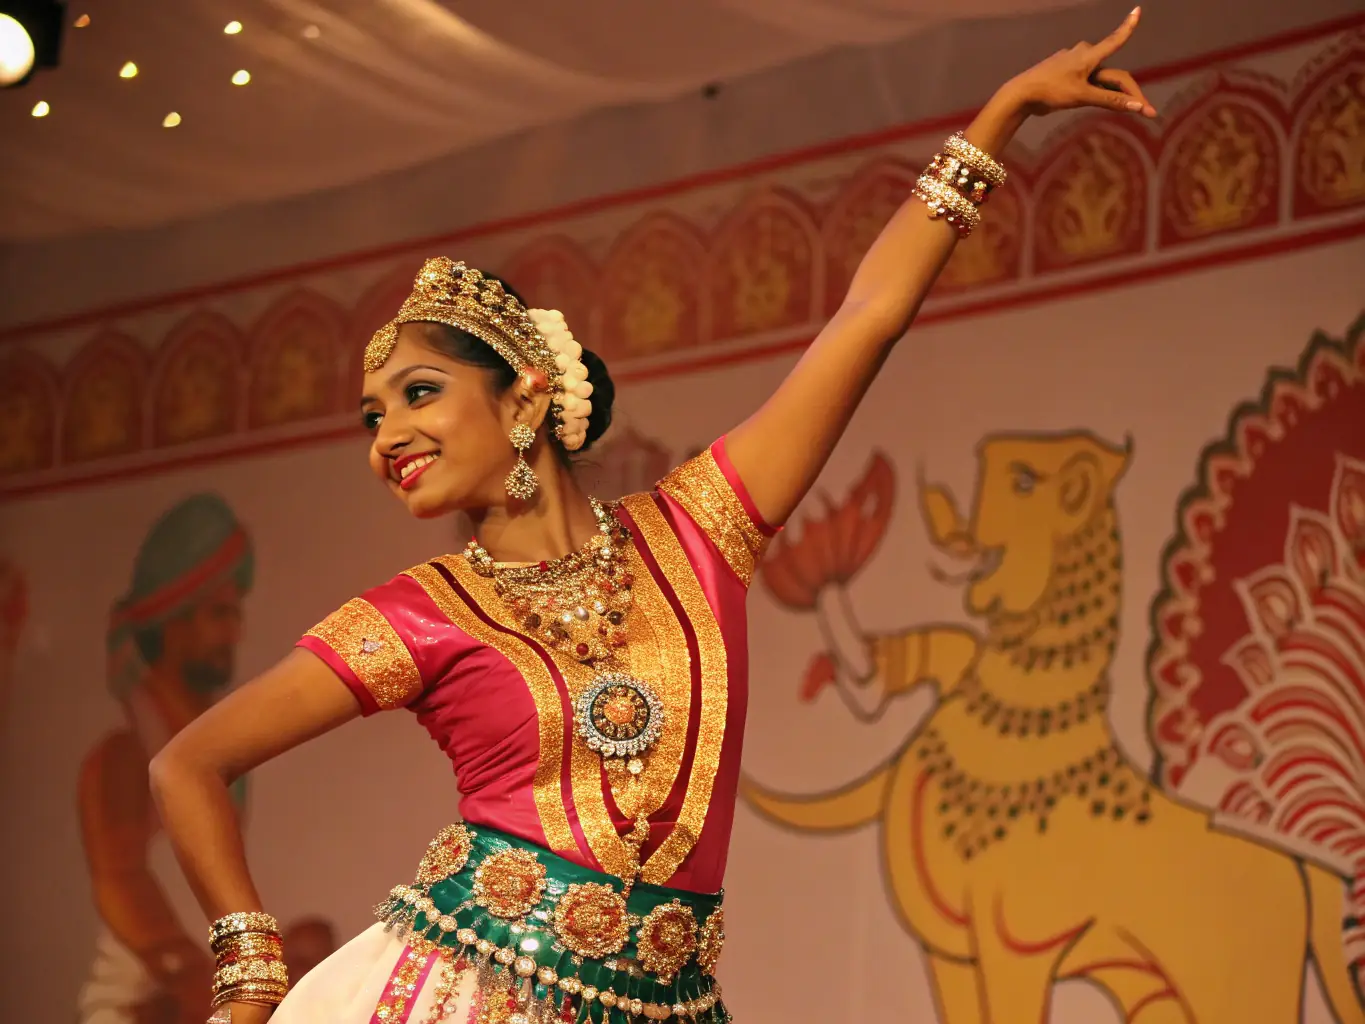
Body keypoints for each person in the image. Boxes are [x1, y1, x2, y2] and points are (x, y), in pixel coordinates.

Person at [149, 11, 1156, 1022]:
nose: (385, 438)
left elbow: (868, 317)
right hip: (468, 993)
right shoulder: (418, 614)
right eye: (372, 418)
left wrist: (1001, 116)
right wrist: (250, 969)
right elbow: (188, 763)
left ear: (525, 398)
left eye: (416, 394)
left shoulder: (700, 530)